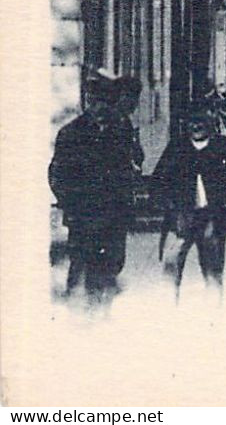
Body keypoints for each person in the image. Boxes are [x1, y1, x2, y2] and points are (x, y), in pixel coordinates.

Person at [49, 77, 140, 305]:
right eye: (93, 102)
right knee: (80, 267)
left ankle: (102, 314)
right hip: (83, 215)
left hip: (114, 213)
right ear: (86, 102)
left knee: (112, 265)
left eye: (104, 102)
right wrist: (71, 202)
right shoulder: (70, 133)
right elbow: (57, 175)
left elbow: (133, 160)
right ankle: (78, 316)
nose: (99, 108)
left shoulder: (121, 127)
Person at [152, 110, 226, 299]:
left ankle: (213, 318)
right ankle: (167, 316)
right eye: (192, 122)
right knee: (171, 268)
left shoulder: (223, 146)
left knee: (213, 271)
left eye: (201, 121)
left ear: (211, 123)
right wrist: (169, 204)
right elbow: (158, 180)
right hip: (180, 219)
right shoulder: (177, 147)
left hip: (212, 218)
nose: (196, 126)